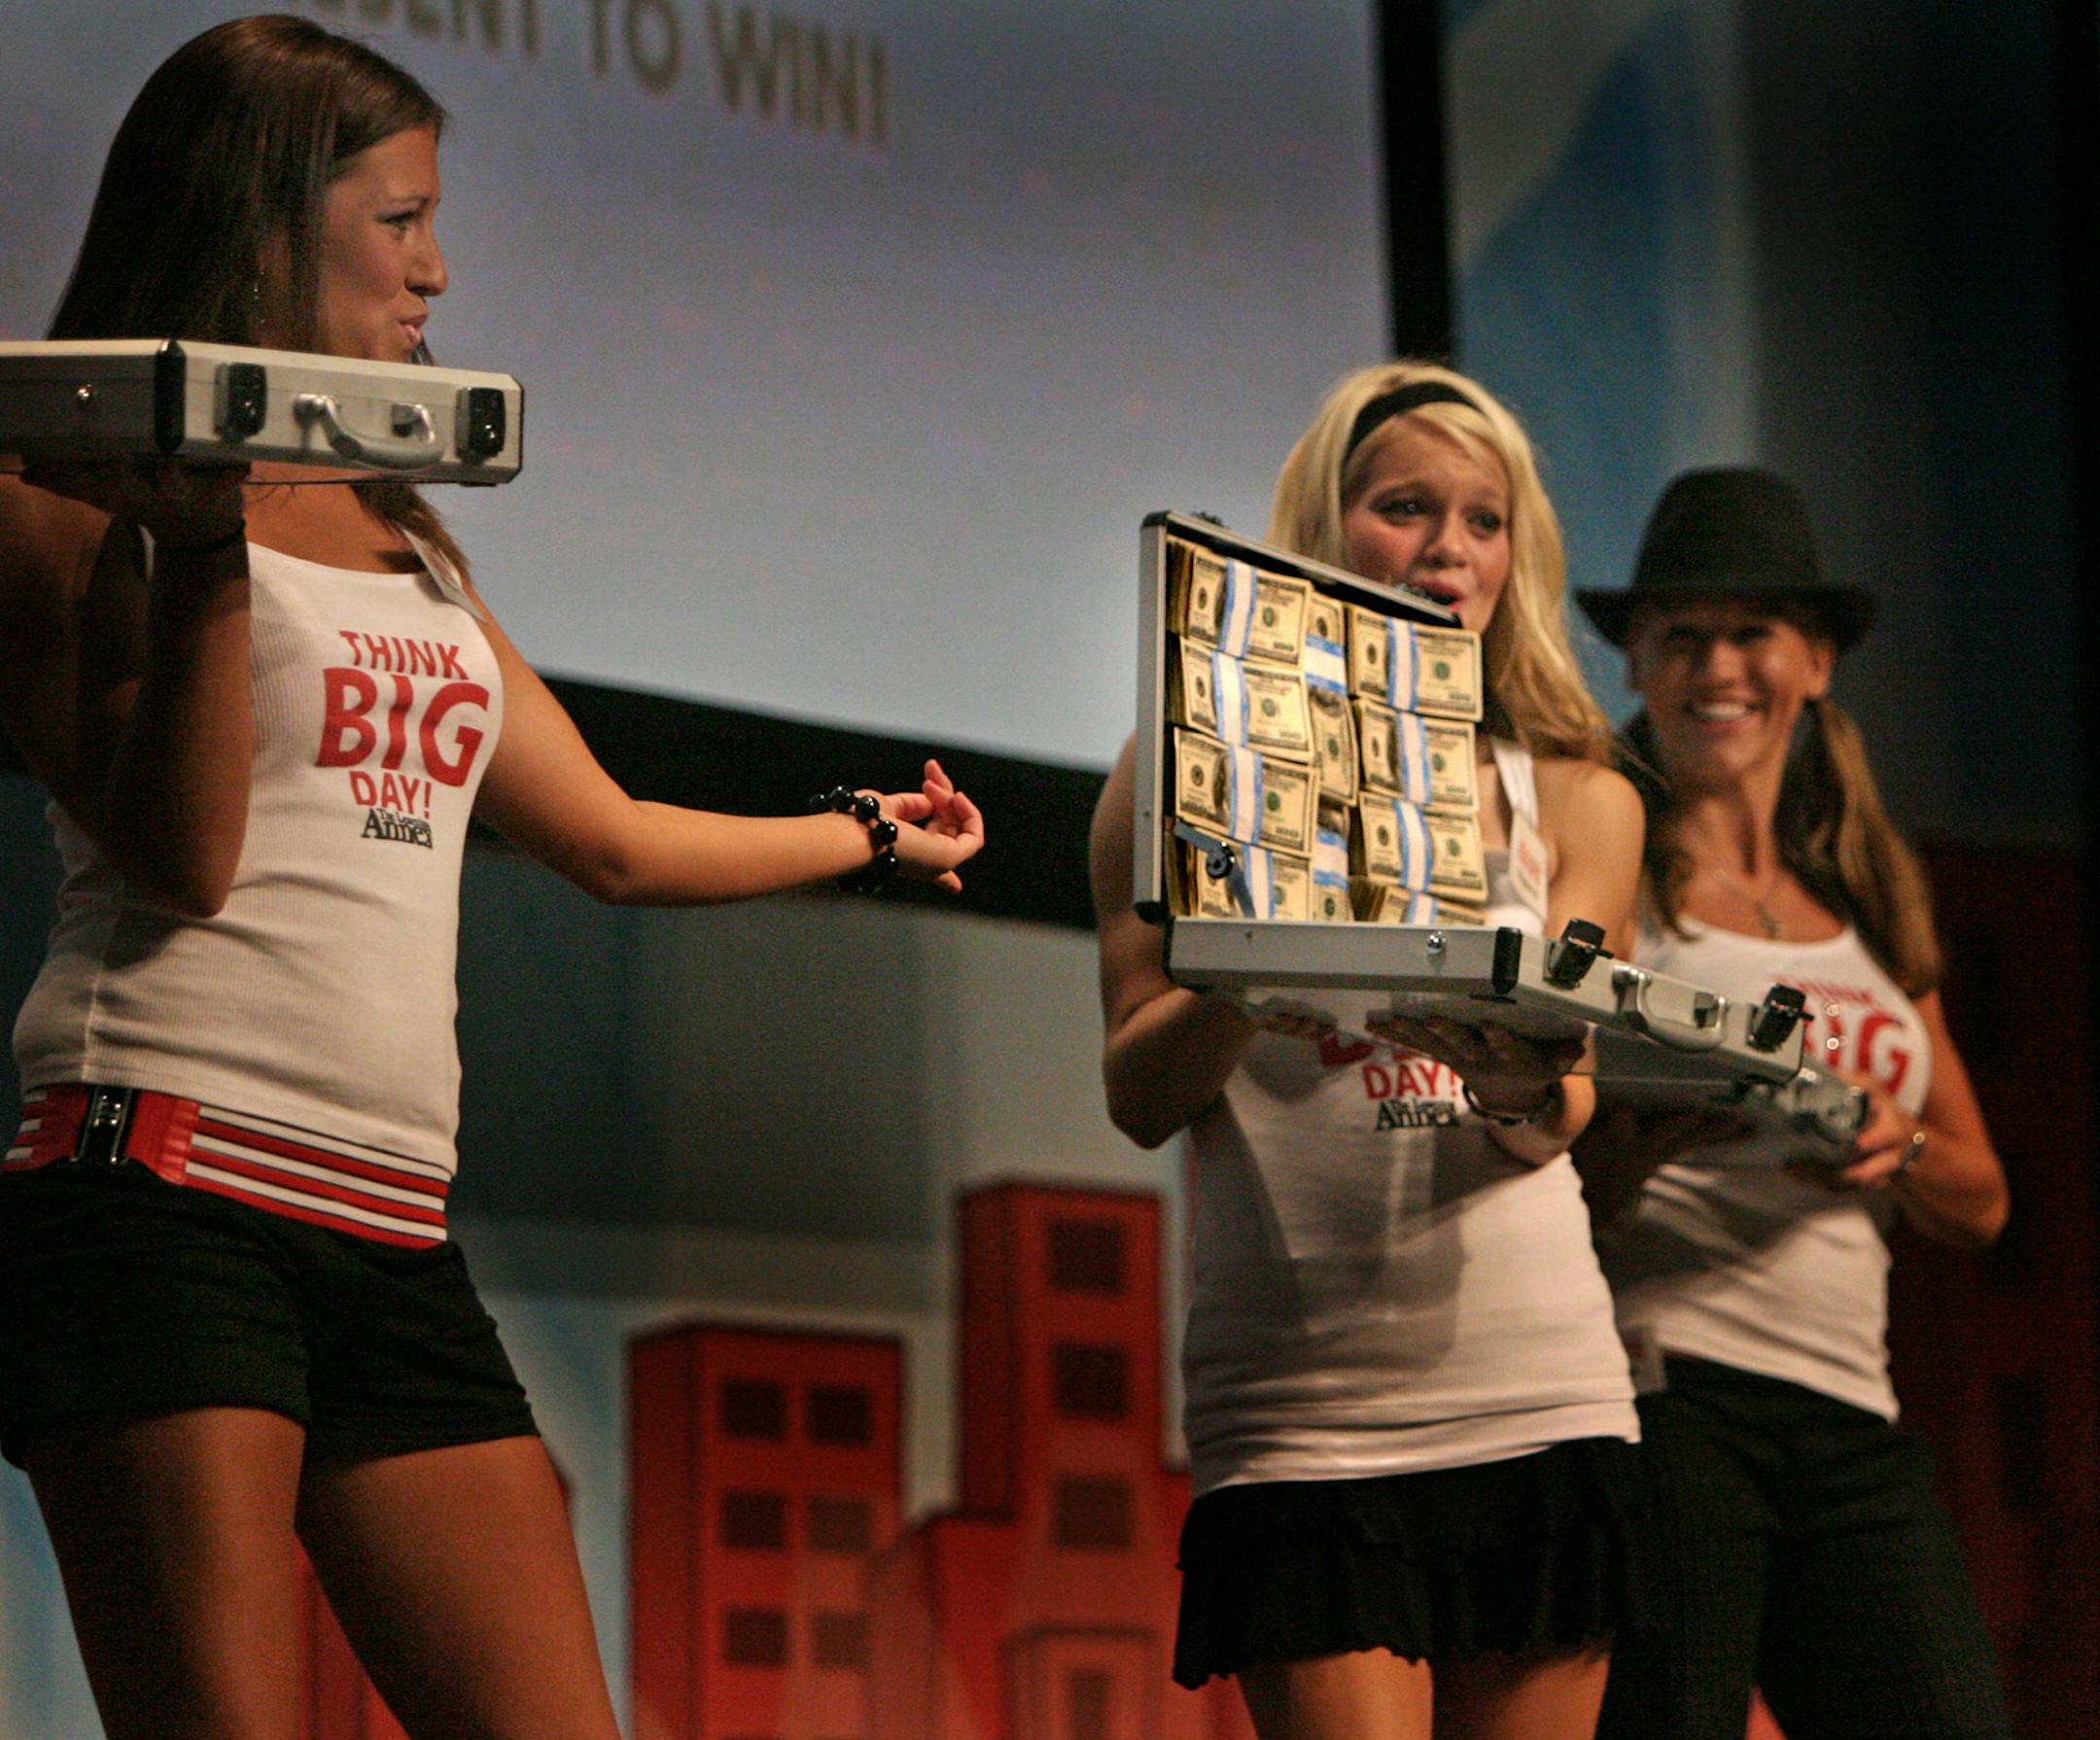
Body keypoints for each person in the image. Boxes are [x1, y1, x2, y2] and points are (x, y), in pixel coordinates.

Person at [0, 17, 982, 1740]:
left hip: (390, 1223)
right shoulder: (56, 494)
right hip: (160, 1191)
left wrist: (877, 832)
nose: (438, 270)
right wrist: (205, 527)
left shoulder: (396, 523)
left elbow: (604, 835)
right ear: (262, 219)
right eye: (400, 221)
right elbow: (188, 854)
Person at [1090, 361, 1653, 1740]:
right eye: (1405, 506)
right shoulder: (1170, 775)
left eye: (1483, 517)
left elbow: (1558, 1101)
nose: (1448, 549)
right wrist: (1257, 960)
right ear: (1324, 524)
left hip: (1537, 1387)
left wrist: (1523, 1070)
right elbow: (1139, 1093)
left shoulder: (1580, 797)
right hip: (1303, 1414)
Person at [1572, 467, 2012, 1740]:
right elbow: (1535, 1130)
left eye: (1751, 632)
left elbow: (1982, 1200)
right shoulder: (1610, 871)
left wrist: (1899, 1136)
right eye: (1681, 637)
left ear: (1814, 660)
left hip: (1853, 1418)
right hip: (1668, 1391)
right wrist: (1625, 1147)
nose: (1719, 667)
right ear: (1639, 665)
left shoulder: (1866, 898)